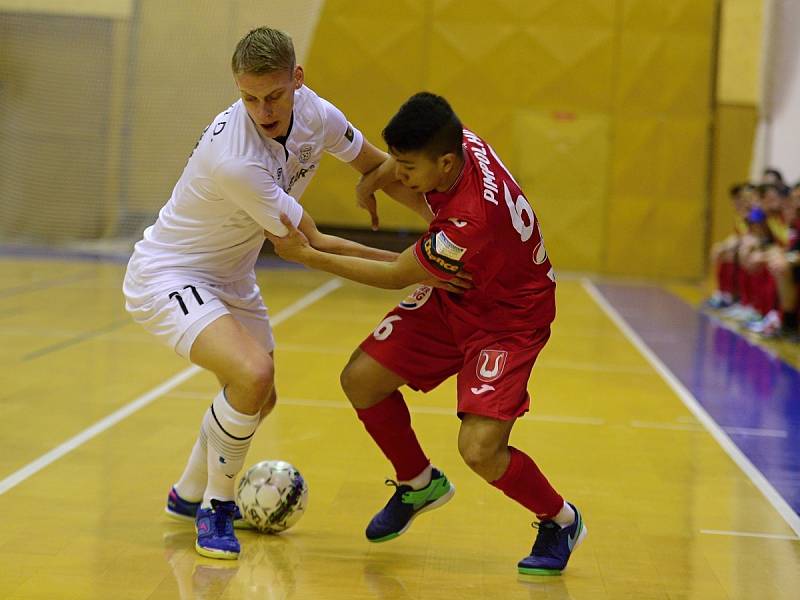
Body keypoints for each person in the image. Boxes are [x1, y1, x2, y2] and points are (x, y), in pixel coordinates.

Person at [267, 92, 587, 576]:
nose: (402, 172)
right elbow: (407, 184)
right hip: (460, 289)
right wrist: (373, 180)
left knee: (479, 450)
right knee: (361, 379)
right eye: (398, 161)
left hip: (507, 319)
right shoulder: (460, 144)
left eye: (408, 166)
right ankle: (418, 483)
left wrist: (309, 255)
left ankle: (560, 520)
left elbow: (397, 274)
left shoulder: (467, 223)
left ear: (443, 164)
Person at [122, 26, 408, 560]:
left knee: (260, 398)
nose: (263, 110)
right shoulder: (237, 160)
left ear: (297, 80)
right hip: (170, 274)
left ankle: (185, 496)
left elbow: (376, 165)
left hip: (231, 274)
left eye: (273, 95)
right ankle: (215, 508)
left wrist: (447, 226)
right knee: (252, 375)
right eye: (249, 97)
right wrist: (411, 267)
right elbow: (314, 242)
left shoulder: (316, 114)